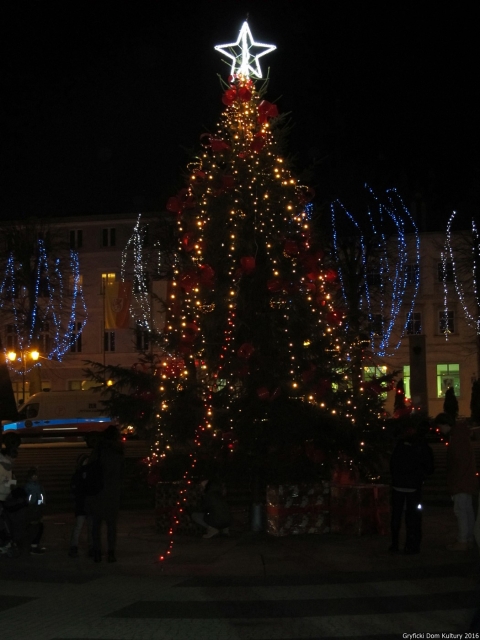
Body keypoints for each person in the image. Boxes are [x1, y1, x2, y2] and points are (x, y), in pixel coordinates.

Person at [434, 412, 478, 550]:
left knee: (461, 510)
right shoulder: (460, 435)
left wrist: (454, 482)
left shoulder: (457, 438)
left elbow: (458, 463)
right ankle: (468, 538)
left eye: (440, 426)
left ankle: (463, 540)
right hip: (466, 479)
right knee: (467, 510)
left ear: (446, 424)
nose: (440, 430)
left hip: (461, 481)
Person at [389, 423, 434, 554]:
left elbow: (393, 464)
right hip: (414, 486)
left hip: (398, 486)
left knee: (396, 515)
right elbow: (429, 466)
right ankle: (412, 544)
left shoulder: (400, 446)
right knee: (413, 516)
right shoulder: (421, 446)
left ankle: (395, 543)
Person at [85, 425, 124, 563]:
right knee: (111, 525)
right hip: (112, 491)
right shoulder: (118, 451)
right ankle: (111, 552)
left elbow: (91, 467)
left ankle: (96, 551)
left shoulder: (99, 450)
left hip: (98, 490)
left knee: (96, 523)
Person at [68, 452, 93, 558]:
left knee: (90, 527)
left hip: (87, 504)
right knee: (80, 526)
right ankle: (74, 546)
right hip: (82, 504)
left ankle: (91, 547)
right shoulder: (79, 474)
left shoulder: (89, 473)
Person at [24, 466, 46, 554]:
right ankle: (33, 545)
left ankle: (34, 545)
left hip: (37, 506)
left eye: (36, 476)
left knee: (38, 525)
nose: (35, 477)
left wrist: (41, 503)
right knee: (35, 525)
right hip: (32, 507)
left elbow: (41, 495)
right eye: (34, 476)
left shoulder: (38, 485)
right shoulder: (29, 485)